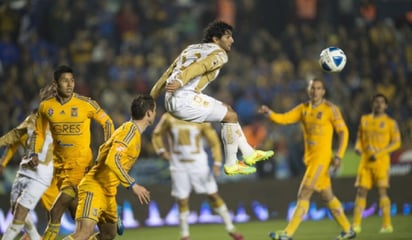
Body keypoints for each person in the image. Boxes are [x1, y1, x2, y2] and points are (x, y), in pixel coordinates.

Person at [150, 20, 274, 176]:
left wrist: (151, 98)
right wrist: (181, 81)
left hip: (175, 96)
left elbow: (167, 73)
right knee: (230, 116)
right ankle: (231, 164)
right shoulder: (219, 54)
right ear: (216, 39)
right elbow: (200, 67)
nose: (232, 40)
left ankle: (248, 153)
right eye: (227, 37)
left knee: (229, 111)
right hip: (183, 98)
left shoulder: (190, 49)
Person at [259, 78, 356, 240]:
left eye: (318, 88)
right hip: (311, 160)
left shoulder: (331, 109)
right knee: (327, 196)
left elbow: (344, 132)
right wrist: (270, 114)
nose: (315, 91)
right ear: (308, 90)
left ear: (323, 91)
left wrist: (339, 155)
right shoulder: (303, 109)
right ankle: (348, 230)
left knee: (303, 194)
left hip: (322, 159)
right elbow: (284, 118)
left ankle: (287, 234)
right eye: (312, 88)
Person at [29, 65, 115, 240]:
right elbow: (38, 133)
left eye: (72, 80)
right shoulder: (46, 107)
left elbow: (107, 122)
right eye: (65, 81)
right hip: (61, 172)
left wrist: (107, 147)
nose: (70, 84)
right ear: (56, 84)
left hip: (83, 169)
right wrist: (33, 153)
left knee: (56, 211)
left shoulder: (86, 103)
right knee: (104, 233)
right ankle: (110, 208)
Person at [62, 94, 154, 240]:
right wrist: (133, 185)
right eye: (153, 111)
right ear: (149, 114)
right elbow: (112, 160)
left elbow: (104, 154)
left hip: (108, 193)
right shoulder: (129, 132)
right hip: (95, 187)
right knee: (82, 234)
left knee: (108, 235)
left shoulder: (132, 132)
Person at [152, 112, 244, 240]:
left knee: (213, 194)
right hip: (178, 165)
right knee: (182, 200)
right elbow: (156, 134)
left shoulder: (199, 116)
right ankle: (184, 235)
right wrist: (162, 151)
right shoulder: (168, 117)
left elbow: (214, 142)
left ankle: (230, 227)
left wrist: (217, 162)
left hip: (198, 163)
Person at [0, 84, 58, 240]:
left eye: (55, 93)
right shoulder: (31, 119)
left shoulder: (60, 120)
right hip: (25, 170)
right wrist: (3, 162)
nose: (52, 94)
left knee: (26, 212)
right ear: (41, 95)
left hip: (43, 173)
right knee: (15, 208)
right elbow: (14, 137)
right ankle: (34, 236)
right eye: (49, 91)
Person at [352, 93, 401, 234]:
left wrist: (379, 153)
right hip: (365, 163)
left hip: (381, 163)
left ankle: (387, 225)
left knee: (382, 192)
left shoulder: (391, 123)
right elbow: (359, 138)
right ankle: (356, 225)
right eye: (376, 101)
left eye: (382, 102)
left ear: (386, 106)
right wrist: (357, 148)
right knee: (361, 192)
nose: (379, 104)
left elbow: (397, 142)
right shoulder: (364, 119)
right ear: (372, 104)